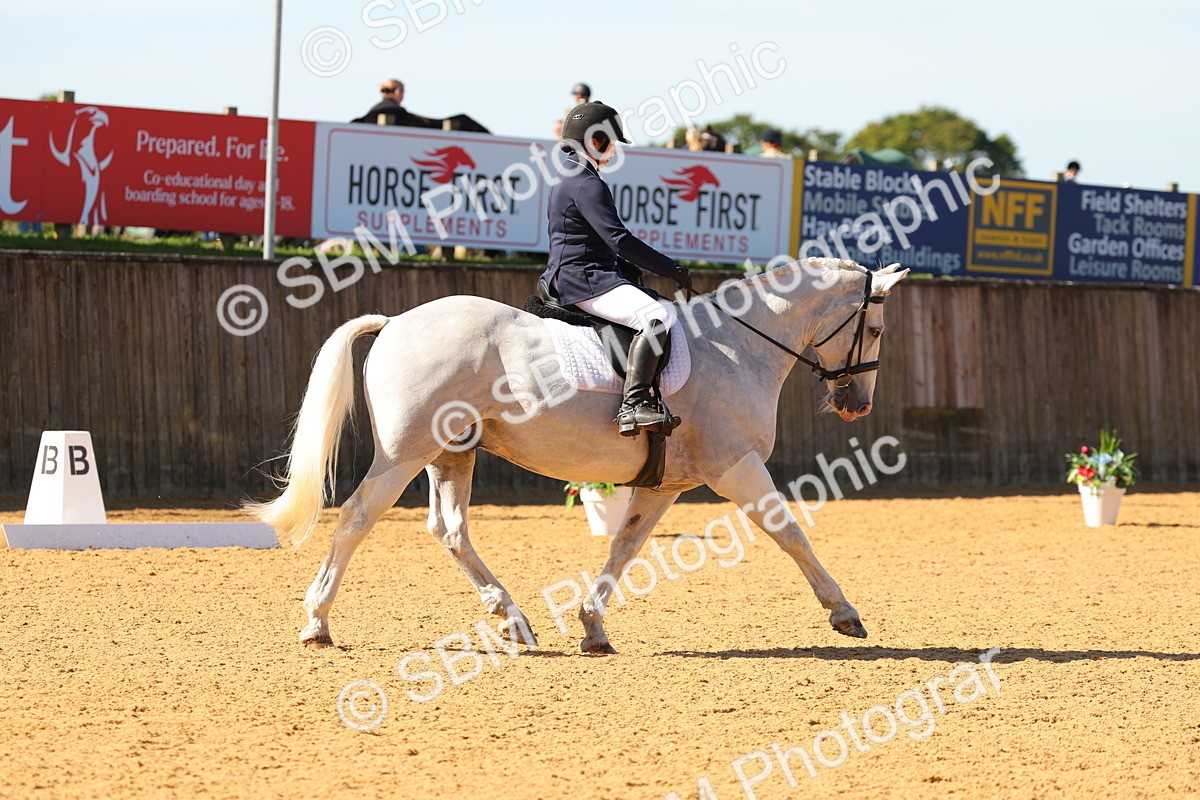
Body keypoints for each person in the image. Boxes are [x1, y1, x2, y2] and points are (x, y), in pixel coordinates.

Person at [540, 101, 692, 437]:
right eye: (611, 142)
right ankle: (634, 404)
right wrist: (669, 268)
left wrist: (623, 267)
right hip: (583, 279)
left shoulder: (573, 174)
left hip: (582, 272)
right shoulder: (586, 182)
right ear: (596, 141)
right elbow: (619, 239)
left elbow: (587, 238)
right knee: (657, 316)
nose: (614, 151)